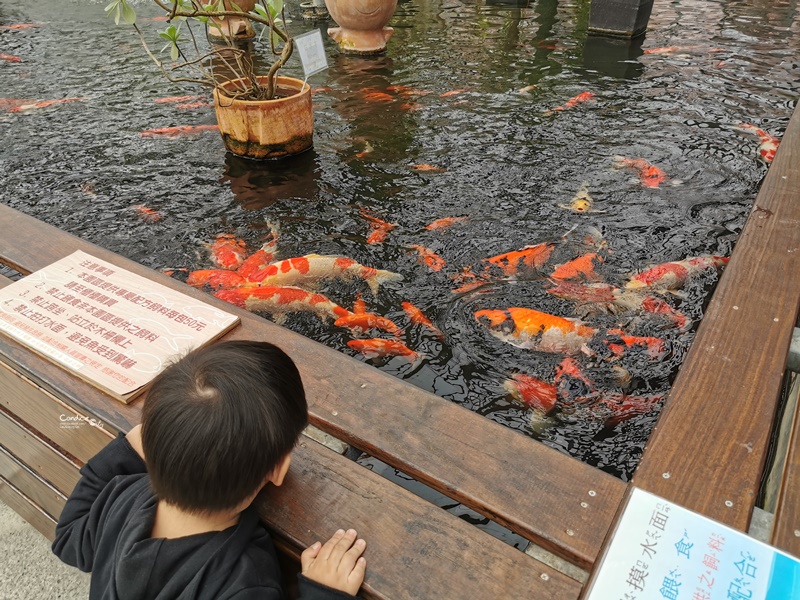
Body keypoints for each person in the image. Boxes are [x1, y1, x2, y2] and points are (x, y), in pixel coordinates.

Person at [52, 340, 367, 599]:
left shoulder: (121, 498)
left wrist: (124, 451)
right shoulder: (243, 582)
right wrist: (325, 594)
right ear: (278, 469)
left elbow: (67, 539)